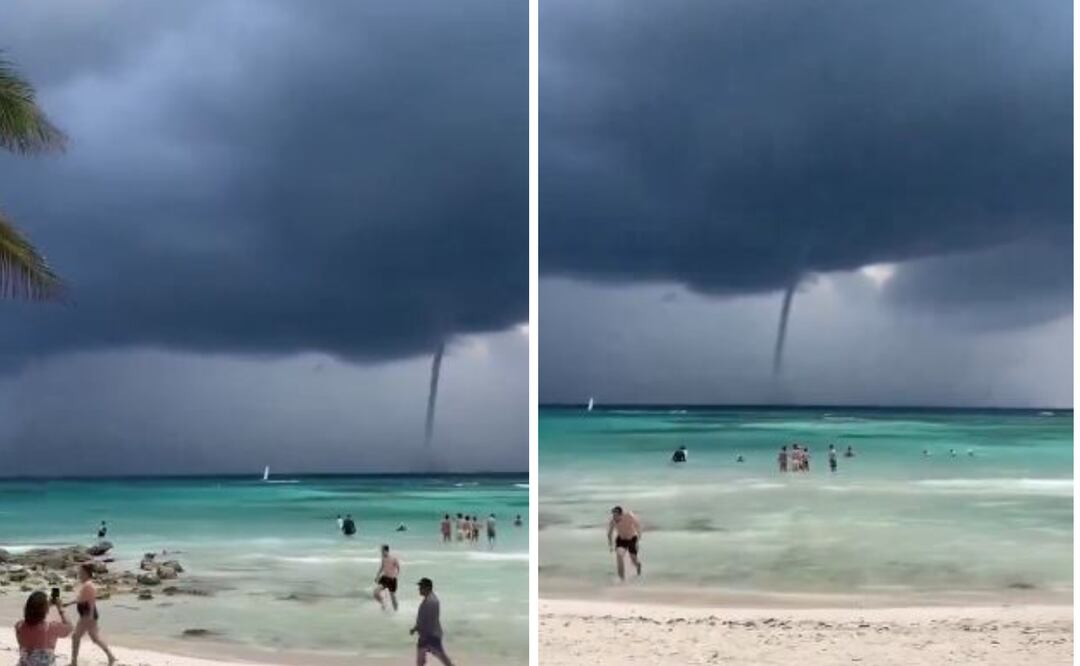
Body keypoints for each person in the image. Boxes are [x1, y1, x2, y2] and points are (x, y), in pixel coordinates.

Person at [68, 563, 116, 665]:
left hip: (87, 615)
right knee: (95, 638)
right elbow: (80, 599)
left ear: (85, 573)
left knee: (75, 637)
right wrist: (67, 603)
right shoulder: (87, 584)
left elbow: (91, 601)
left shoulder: (88, 585)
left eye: (80, 572)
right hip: (88, 614)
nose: (79, 574)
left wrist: (89, 616)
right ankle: (111, 657)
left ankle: (73, 662)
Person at [15, 590, 72, 666]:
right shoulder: (51, 628)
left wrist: (45, 606)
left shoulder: (19, 626)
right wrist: (60, 609)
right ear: (46, 610)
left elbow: (32, 618)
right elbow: (70, 627)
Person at [410, 578, 454, 665]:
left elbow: (429, 621)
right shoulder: (429, 599)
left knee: (443, 659)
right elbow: (423, 619)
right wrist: (415, 628)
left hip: (430, 636)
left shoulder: (431, 601)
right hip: (426, 636)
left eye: (421, 587)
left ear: (427, 588)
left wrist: (424, 635)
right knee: (421, 660)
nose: (419, 589)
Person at [606, 506, 642, 581]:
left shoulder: (629, 516)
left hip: (632, 539)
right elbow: (609, 534)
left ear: (621, 514)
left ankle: (638, 566)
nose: (614, 517)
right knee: (619, 556)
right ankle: (622, 579)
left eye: (616, 515)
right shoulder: (613, 521)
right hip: (621, 540)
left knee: (633, 560)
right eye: (613, 515)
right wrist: (610, 545)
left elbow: (638, 526)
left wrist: (638, 540)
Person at [374, 545, 400, 612]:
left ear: (386, 551)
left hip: (392, 580)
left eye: (382, 551)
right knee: (376, 592)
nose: (381, 552)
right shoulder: (383, 558)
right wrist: (377, 576)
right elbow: (382, 567)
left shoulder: (394, 558)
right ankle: (383, 603)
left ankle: (396, 611)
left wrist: (396, 575)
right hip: (385, 578)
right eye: (381, 551)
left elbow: (398, 568)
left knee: (393, 597)